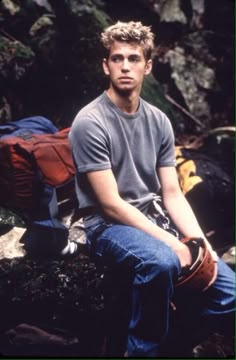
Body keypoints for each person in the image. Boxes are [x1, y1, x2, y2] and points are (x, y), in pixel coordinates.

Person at [69, 21, 235, 357]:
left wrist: (202, 246)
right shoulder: (90, 122)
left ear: (148, 66)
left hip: (153, 215)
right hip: (106, 225)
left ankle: (173, 336)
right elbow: (111, 204)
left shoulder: (159, 119)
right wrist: (174, 244)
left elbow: (172, 194)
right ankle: (141, 351)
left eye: (133, 58)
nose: (125, 66)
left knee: (229, 291)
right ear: (106, 65)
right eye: (117, 58)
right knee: (161, 262)